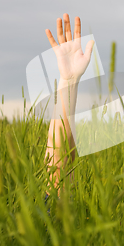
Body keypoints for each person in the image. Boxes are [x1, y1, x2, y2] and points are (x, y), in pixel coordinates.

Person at [44, 14, 95, 191]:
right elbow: (58, 165)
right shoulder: (53, 212)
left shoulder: (55, 209)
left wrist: (70, 81)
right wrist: (69, 81)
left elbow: (58, 163)